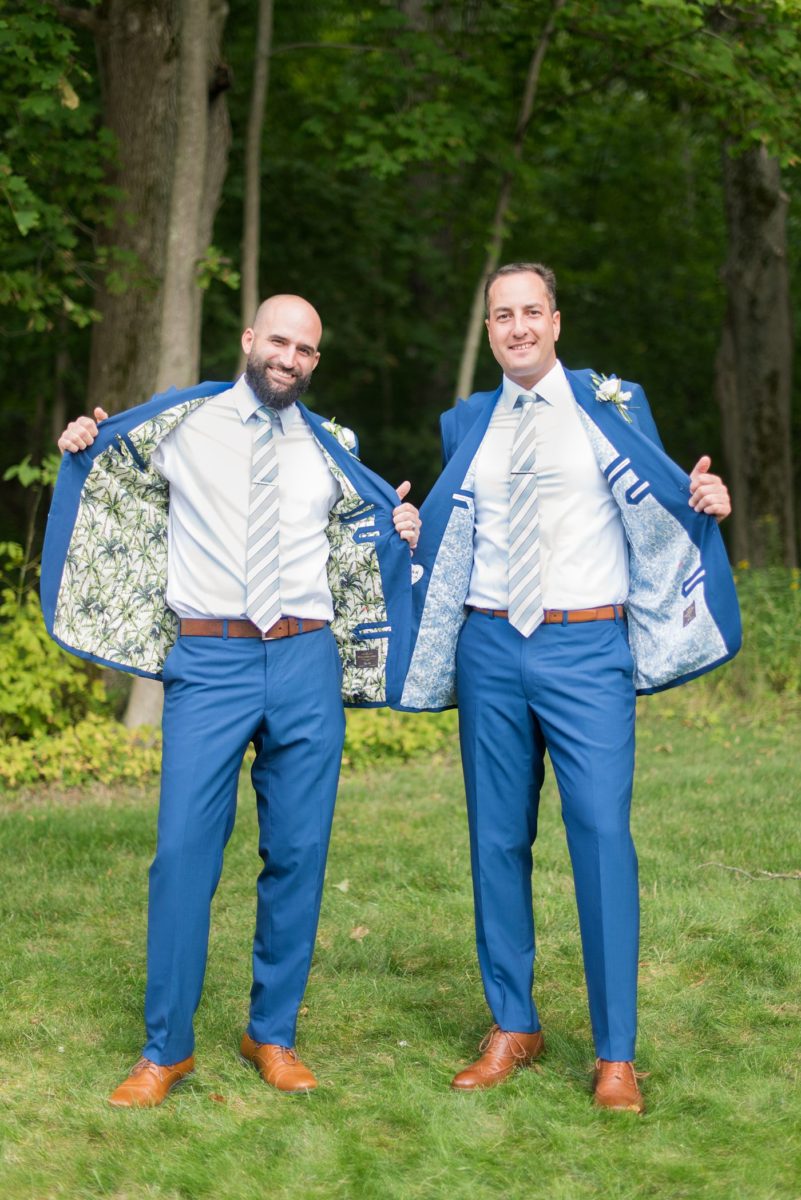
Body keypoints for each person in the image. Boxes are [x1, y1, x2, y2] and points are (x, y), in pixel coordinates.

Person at [43, 294, 421, 1108]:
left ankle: (271, 1033)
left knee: (297, 853)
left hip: (304, 659)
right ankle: (164, 1049)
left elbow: (367, 534)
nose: (289, 358)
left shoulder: (333, 446)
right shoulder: (179, 425)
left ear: (317, 362)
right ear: (250, 340)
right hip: (209, 658)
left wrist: (404, 527)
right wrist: (81, 440)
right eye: (277, 341)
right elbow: (103, 463)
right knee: (182, 852)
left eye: (306, 350)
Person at [399, 262, 739, 1113]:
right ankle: (513, 1023)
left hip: (587, 647)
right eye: (500, 316)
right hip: (488, 644)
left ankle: (615, 1053)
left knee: (598, 836)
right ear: (489, 330)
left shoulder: (611, 407)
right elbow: (445, 527)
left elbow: (666, 493)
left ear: (555, 322)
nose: (516, 327)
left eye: (530, 313)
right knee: (494, 841)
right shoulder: (465, 423)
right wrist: (404, 527)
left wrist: (705, 496)